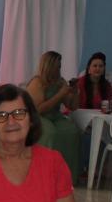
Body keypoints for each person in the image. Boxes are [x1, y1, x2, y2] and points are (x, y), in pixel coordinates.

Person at [25, 50, 82, 183]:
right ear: (49, 66)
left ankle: (66, 176)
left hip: (56, 116)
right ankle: (45, 175)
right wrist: (60, 94)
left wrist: (74, 92)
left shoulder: (60, 82)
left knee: (72, 132)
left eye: (60, 66)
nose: (59, 69)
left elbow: (72, 106)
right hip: (38, 117)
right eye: (57, 66)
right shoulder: (37, 82)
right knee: (50, 133)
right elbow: (38, 109)